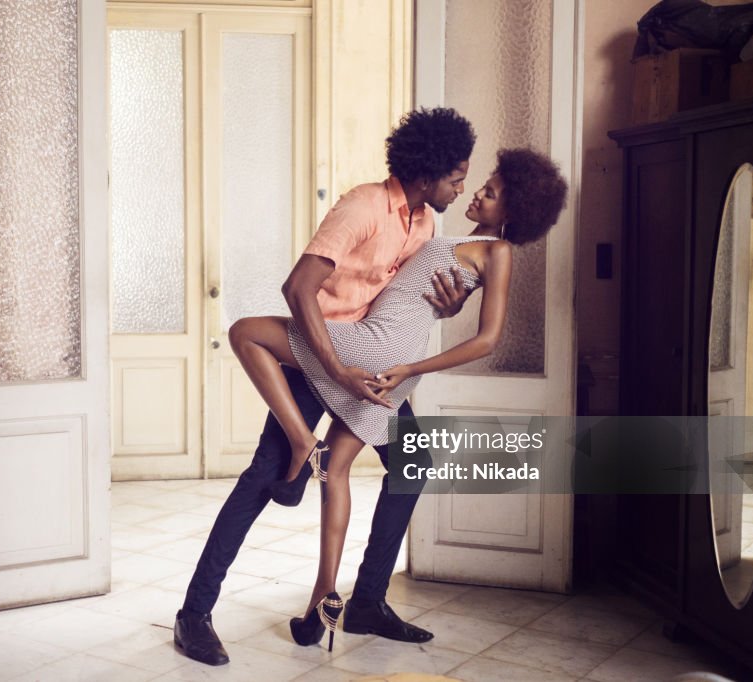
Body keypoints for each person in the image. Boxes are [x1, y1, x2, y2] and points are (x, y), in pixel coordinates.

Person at [225, 147, 568, 651]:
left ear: (511, 214)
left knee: (247, 331)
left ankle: (302, 442)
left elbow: (488, 340)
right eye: (476, 184)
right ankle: (325, 602)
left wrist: (413, 367)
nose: (475, 192)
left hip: (381, 350)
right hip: (389, 356)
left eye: (489, 192)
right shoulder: (449, 236)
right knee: (338, 473)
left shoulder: (498, 253)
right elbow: (418, 293)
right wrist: (437, 322)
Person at [174, 107, 477, 666]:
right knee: (264, 479)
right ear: (428, 170)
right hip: (318, 357)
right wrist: (335, 368)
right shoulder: (362, 205)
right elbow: (299, 288)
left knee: (412, 465)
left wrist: (451, 305)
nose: (462, 187)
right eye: (456, 176)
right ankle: (194, 614)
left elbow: (404, 301)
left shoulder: (425, 223)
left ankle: (365, 602)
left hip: (364, 359)